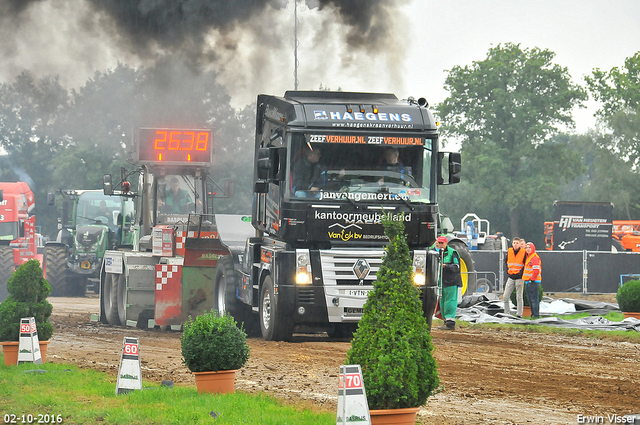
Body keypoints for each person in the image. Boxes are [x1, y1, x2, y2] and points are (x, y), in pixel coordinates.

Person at [435, 236, 463, 330]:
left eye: (442, 243)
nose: (440, 245)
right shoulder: (438, 253)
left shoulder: (453, 253)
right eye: (439, 243)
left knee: (450, 303)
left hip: (451, 282)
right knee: (443, 303)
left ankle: (450, 324)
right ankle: (446, 321)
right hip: (442, 283)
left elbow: (456, 267)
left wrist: (445, 266)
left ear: (446, 243)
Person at [503, 237, 526, 317]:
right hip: (511, 276)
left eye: (517, 243)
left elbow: (525, 265)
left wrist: (521, 273)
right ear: (512, 244)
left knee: (519, 296)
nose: (515, 244)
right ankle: (506, 313)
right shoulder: (509, 251)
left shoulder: (523, 252)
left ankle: (519, 314)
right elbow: (506, 261)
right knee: (505, 296)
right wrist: (508, 271)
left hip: (519, 277)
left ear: (520, 244)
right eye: (514, 243)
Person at [523, 242, 542, 318]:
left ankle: (536, 315)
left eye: (529, 247)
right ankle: (533, 314)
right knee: (531, 299)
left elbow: (536, 270)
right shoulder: (529, 257)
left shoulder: (534, 257)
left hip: (533, 282)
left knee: (534, 299)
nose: (527, 249)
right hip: (529, 281)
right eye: (526, 247)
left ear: (533, 248)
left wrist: (532, 279)